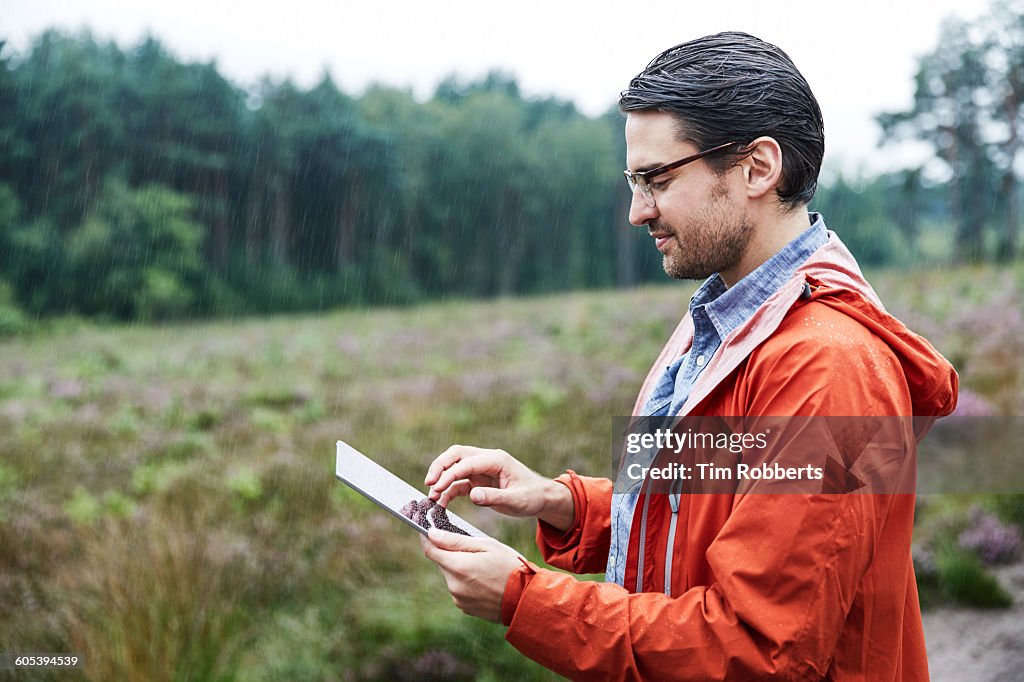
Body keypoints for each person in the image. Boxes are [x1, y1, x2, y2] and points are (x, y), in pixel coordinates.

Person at [419, 31, 958, 681]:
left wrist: (526, 600)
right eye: (633, 180)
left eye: (656, 179)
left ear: (759, 168)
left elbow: (759, 650)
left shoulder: (827, 370)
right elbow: (706, 506)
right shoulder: (730, 323)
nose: (636, 212)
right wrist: (561, 503)